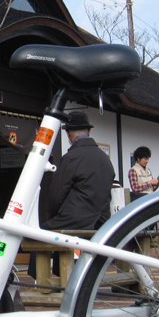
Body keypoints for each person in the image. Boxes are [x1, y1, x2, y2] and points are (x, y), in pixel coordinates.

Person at [29, 111, 116, 279]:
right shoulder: (105, 159)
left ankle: (41, 279)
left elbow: (56, 194)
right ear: (89, 132)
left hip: (75, 217)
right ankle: (76, 275)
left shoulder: (72, 157)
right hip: (101, 219)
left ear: (68, 133)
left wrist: (54, 216)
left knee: (40, 235)